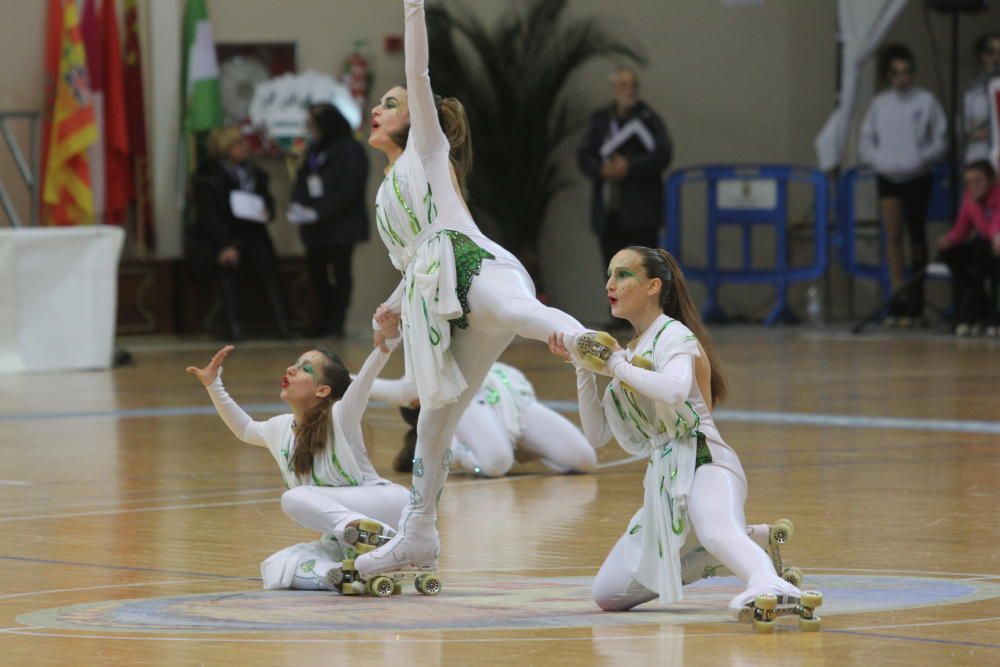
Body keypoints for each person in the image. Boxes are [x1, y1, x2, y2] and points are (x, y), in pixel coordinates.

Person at [353, 0, 607, 579]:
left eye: (387, 104)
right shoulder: (386, 189)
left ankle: (583, 342)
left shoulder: (427, 151)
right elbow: (411, 262)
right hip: (436, 301)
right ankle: (418, 534)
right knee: (437, 423)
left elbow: (417, 73)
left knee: (515, 309)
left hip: (471, 263)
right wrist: (389, 307)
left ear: (415, 121)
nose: (377, 108)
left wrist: (414, 10)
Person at [548, 246, 812, 621]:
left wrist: (616, 364)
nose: (611, 283)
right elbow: (596, 436)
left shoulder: (673, 334)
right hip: (665, 482)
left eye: (624, 275)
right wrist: (582, 368)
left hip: (705, 461)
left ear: (654, 286)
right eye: (609, 274)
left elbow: (673, 390)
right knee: (609, 593)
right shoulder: (629, 352)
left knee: (718, 532)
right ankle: (749, 544)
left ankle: (769, 583)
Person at [185, 307, 409, 591]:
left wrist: (387, 344)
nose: (290, 369)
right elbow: (244, 429)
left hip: (387, 507)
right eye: (295, 363)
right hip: (344, 535)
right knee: (275, 566)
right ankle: (347, 578)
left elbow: (363, 383)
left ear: (323, 390)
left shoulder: (342, 415)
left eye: (305, 369)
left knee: (295, 497)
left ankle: (372, 536)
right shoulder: (281, 428)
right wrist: (213, 384)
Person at [369, 362, 598, 478]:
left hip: (510, 396)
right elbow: (381, 388)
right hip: (466, 401)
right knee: (495, 463)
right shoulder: (424, 384)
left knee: (584, 459)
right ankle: (465, 451)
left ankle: (519, 446)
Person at [858, 44, 948, 328]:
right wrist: (878, 161)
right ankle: (898, 293)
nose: (902, 78)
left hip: (918, 175)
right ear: (888, 76)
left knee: (916, 233)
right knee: (893, 234)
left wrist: (923, 158)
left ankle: (917, 297)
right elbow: (866, 141)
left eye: (906, 72)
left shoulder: (926, 101)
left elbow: (941, 137)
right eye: (896, 73)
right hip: (889, 176)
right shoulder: (880, 104)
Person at [577, 66, 672, 325]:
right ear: (613, 89)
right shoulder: (601, 120)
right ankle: (619, 317)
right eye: (622, 85)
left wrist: (629, 167)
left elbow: (662, 154)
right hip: (608, 210)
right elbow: (584, 156)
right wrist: (602, 170)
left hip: (641, 210)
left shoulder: (648, 119)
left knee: (644, 267)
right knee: (613, 267)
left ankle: (649, 318)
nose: (627, 91)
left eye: (632, 85)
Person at [186, 126, 290, 340]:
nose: (245, 148)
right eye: (239, 144)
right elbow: (209, 215)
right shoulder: (209, 176)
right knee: (228, 269)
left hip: (254, 234)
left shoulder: (254, 173)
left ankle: (282, 325)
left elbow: (266, 199)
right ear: (225, 148)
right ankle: (232, 328)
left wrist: (267, 211)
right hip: (224, 236)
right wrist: (225, 244)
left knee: (269, 267)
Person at [289, 104, 370, 337]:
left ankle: (337, 323)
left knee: (341, 273)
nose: (312, 129)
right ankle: (320, 320)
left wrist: (320, 211)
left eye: (315, 125)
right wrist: (298, 204)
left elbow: (349, 189)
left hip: (341, 226)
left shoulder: (351, 150)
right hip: (315, 228)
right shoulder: (315, 149)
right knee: (317, 273)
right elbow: (303, 179)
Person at [937, 160, 1000, 337]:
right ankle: (977, 308)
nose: (972, 186)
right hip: (984, 249)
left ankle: (986, 316)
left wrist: (996, 235)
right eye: (969, 182)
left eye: (977, 180)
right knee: (951, 253)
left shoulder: (998, 195)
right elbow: (962, 227)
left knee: (984, 250)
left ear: (992, 180)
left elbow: (997, 221)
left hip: (995, 247)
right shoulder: (969, 198)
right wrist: (949, 239)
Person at [962, 33, 1000, 165]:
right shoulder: (972, 91)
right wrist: (976, 133)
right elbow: (961, 128)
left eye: (999, 52)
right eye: (990, 52)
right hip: (979, 156)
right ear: (982, 56)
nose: (996, 57)